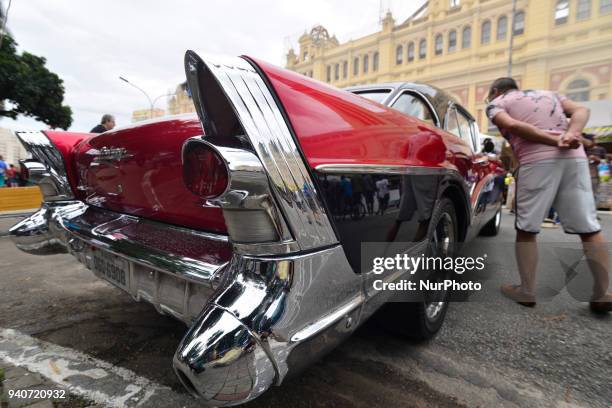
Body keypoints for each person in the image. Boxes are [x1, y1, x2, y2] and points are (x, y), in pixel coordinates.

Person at [486, 77, 611, 313]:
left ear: (495, 90)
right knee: (590, 228)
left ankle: (527, 290)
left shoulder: (497, 103)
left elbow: (512, 126)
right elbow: (582, 110)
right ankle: (601, 293)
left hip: (537, 162)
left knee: (527, 229)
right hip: (575, 160)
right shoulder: (550, 94)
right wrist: (571, 134)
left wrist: (554, 140)